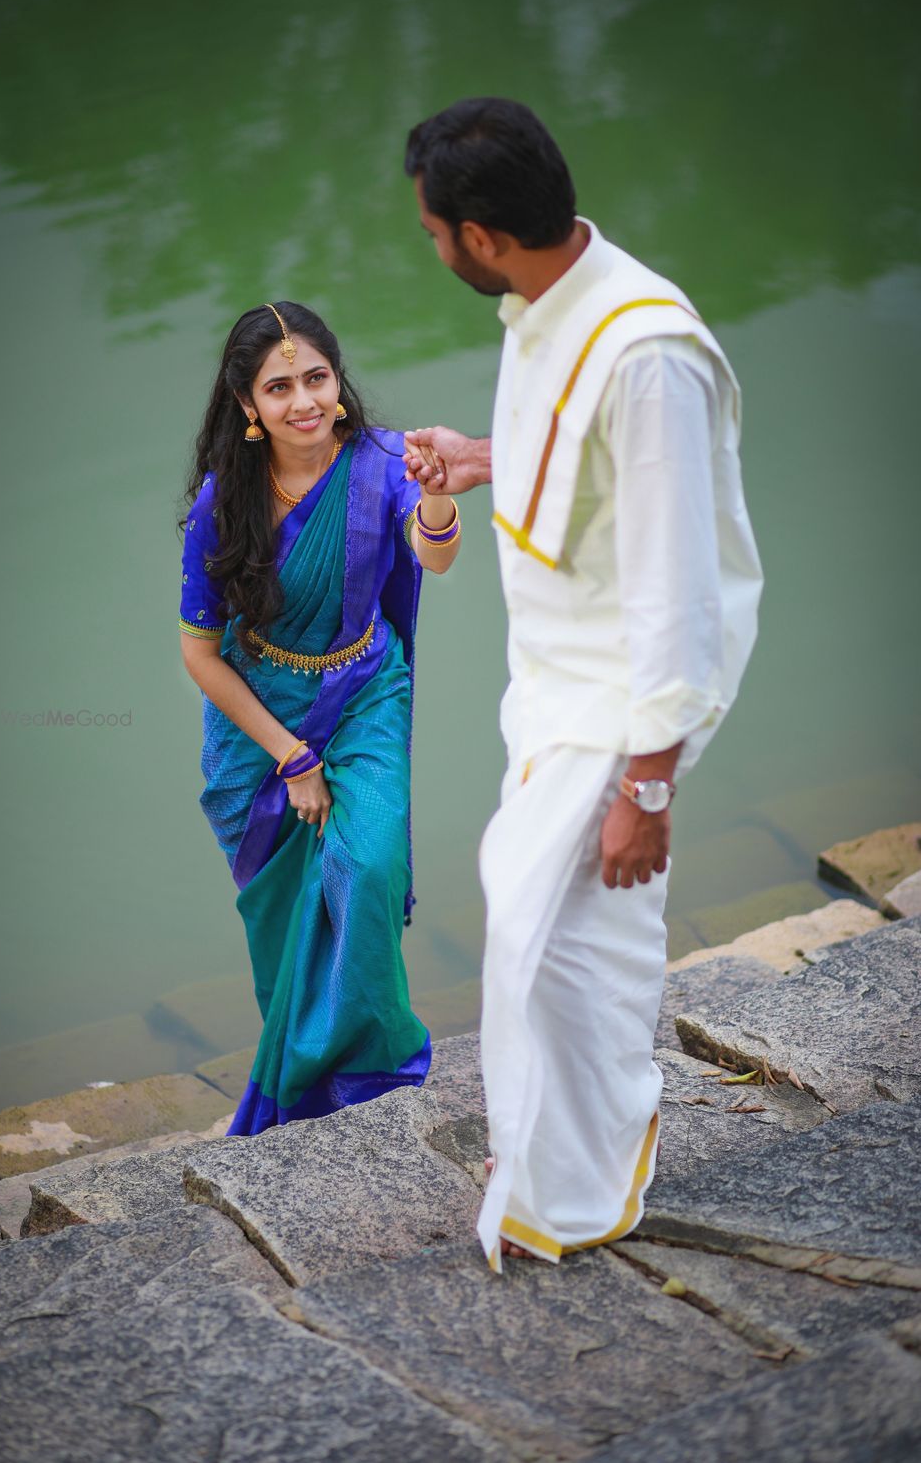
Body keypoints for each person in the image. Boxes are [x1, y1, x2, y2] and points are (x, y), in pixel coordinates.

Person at [402, 99, 763, 1270]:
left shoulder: (645, 350)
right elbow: (584, 468)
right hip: (551, 685)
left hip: (623, 696)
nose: (433, 250)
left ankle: (587, 1160)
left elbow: (675, 578)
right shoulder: (550, 304)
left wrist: (647, 786)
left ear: (483, 235)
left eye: (433, 232)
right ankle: (569, 1147)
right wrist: (481, 462)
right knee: (541, 931)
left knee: (552, 933)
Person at [177, 300, 462, 1134]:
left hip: (366, 690)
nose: (302, 399)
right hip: (258, 720)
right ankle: (304, 1077)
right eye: (278, 386)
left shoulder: (384, 464)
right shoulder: (220, 506)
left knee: (366, 868)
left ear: (337, 384)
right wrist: (291, 757)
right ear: (247, 405)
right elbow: (200, 655)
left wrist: (439, 499)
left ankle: (374, 1069)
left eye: (315, 378)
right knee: (284, 909)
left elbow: (434, 556)